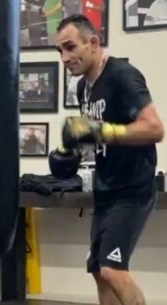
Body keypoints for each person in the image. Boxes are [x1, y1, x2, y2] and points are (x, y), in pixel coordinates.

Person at [54, 14, 164, 305]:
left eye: (70, 47)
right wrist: (71, 152)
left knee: (113, 271)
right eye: (60, 50)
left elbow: (155, 128)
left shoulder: (121, 75)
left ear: (93, 42)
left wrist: (104, 131)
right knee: (99, 271)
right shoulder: (83, 88)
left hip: (133, 190)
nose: (65, 57)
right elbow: (98, 139)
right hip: (106, 190)